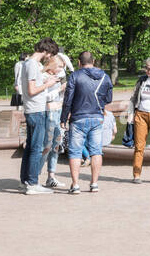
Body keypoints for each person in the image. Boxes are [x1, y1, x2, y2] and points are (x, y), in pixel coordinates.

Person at [61, 50, 113, 194]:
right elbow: (109, 98)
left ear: (79, 62)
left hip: (78, 118)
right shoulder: (104, 76)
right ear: (93, 61)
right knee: (96, 151)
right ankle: (94, 183)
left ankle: (75, 184)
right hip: (97, 117)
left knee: (75, 152)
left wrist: (63, 118)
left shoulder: (75, 76)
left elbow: (68, 100)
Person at [19, 38, 59, 194]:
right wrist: (48, 85)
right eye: (50, 54)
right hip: (35, 110)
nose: (49, 57)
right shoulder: (32, 65)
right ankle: (33, 183)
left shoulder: (29, 64)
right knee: (37, 148)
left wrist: (46, 80)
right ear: (46, 51)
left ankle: (26, 180)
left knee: (30, 147)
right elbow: (31, 90)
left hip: (32, 109)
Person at [41, 54, 68, 189]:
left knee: (56, 145)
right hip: (49, 112)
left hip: (58, 111)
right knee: (47, 144)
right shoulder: (44, 77)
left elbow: (68, 66)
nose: (61, 70)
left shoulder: (57, 76)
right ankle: (34, 176)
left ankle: (51, 176)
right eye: (59, 67)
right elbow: (43, 97)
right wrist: (58, 89)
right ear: (52, 65)